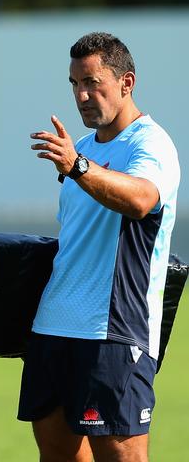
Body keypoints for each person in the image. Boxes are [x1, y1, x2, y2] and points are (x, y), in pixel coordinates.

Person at [22, 32, 181, 461]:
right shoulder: (83, 149)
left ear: (127, 82)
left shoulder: (150, 143)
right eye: (74, 84)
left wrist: (77, 166)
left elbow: (141, 200)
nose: (82, 95)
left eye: (93, 83)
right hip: (53, 327)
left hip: (112, 331)